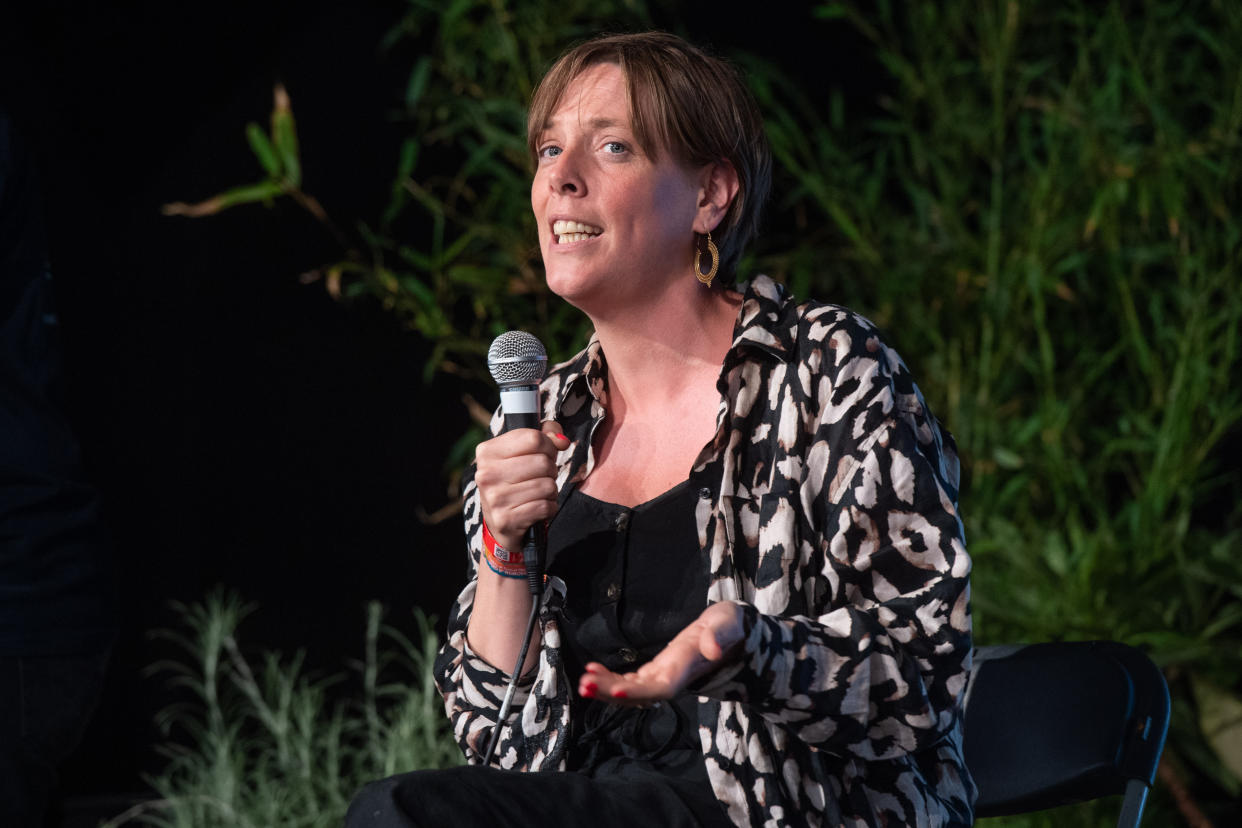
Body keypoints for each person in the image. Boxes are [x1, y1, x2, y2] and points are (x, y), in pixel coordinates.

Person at [348, 32, 974, 827]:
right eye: (548, 150)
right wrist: (505, 552)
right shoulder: (548, 424)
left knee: (402, 812)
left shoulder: (820, 371)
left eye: (611, 146)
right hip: (598, 804)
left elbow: (921, 673)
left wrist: (750, 645)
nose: (561, 180)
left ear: (711, 196)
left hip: (780, 806)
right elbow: (498, 745)